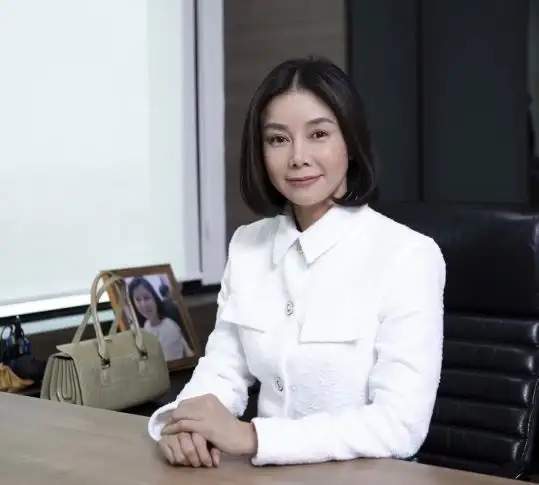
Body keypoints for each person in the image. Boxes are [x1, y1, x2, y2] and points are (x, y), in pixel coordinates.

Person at [147, 56, 446, 468]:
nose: (297, 157)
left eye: (318, 134)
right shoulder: (248, 246)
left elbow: (400, 425)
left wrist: (253, 437)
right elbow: (223, 368)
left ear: (351, 143)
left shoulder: (407, 255)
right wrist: (183, 425)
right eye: (278, 139)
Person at [127, 277, 194, 361]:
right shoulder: (146, 324)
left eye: (146, 298)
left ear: (154, 298)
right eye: (138, 300)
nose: (143, 305)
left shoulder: (168, 327)